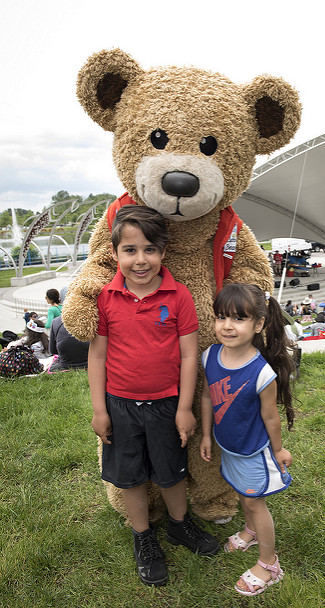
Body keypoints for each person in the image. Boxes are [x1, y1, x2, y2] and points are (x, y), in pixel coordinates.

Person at [88, 205, 219, 587]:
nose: (140, 260)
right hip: (120, 405)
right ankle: (143, 537)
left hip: (166, 404)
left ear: (163, 252)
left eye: (149, 249)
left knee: (171, 470)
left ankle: (180, 525)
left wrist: (183, 409)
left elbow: (190, 353)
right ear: (115, 254)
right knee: (129, 477)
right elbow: (97, 355)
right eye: (130, 250)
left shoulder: (177, 296)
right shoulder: (106, 297)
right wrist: (100, 410)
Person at [200, 283, 294, 597]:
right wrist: (206, 434)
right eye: (221, 317)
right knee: (243, 493)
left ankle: (269, 564)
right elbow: (206, 396)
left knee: (255, 502)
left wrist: (279, 450)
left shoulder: (262, 373)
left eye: (238, 319)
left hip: (254, 451)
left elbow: (271, 417)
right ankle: (251, 531)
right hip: (229, 447)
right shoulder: (209, 355)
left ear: (258, 324)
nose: (227, 326)